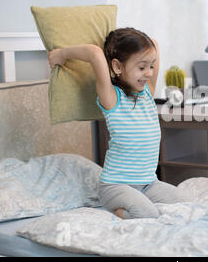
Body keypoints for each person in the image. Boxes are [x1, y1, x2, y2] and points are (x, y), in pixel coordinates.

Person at [48, 27, 189, 219]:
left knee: (186, 204)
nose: (148, 73)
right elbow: (94, 53)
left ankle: (137, 203)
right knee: (147, 213)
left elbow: (153, 44)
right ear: (117, 67)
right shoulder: (112, 98)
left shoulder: (147, 91)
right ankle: (117, 212)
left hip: (148, 184)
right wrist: (61, 54)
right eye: (141, 67)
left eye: (151, 66)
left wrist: (130, 44)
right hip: (116, 186)